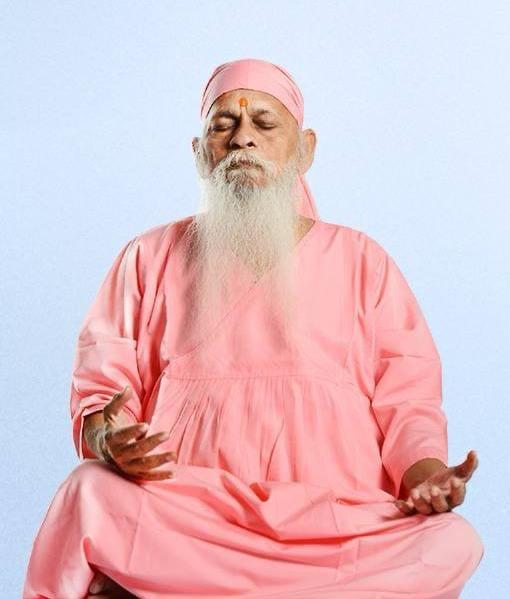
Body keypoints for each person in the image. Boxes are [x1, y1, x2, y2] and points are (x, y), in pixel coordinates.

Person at [23, 58, 484, 599]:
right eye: (223, 126)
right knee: (89, 490)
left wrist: (427, 480)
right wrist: (109, 440)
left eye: (264, 123)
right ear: (199, 153)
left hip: (333, 524)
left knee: (452, 540)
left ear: (305, 149)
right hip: (190, 519)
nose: (243, 139)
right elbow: (102, 390)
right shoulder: (147, 256)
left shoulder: (363, 260)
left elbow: (409, 403)